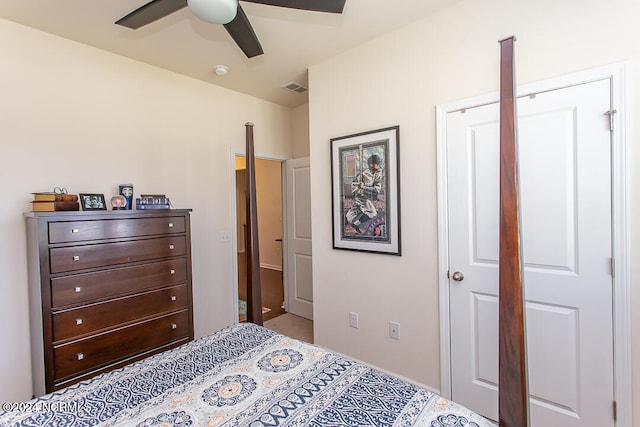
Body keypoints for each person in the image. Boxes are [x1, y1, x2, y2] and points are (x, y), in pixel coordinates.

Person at [346, 154, 384, 234]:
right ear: (370, 164)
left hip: (368, 197)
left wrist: (364, 187)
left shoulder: (379, 174)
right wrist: (358, 188)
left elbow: (376, 190)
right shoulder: (363, 174)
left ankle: (355, 222)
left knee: (368, 213)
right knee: (372, 213)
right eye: (376, 163)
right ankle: (355, 222)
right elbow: (354, 185)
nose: (378, 165)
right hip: (361, 197)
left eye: (378, 163)